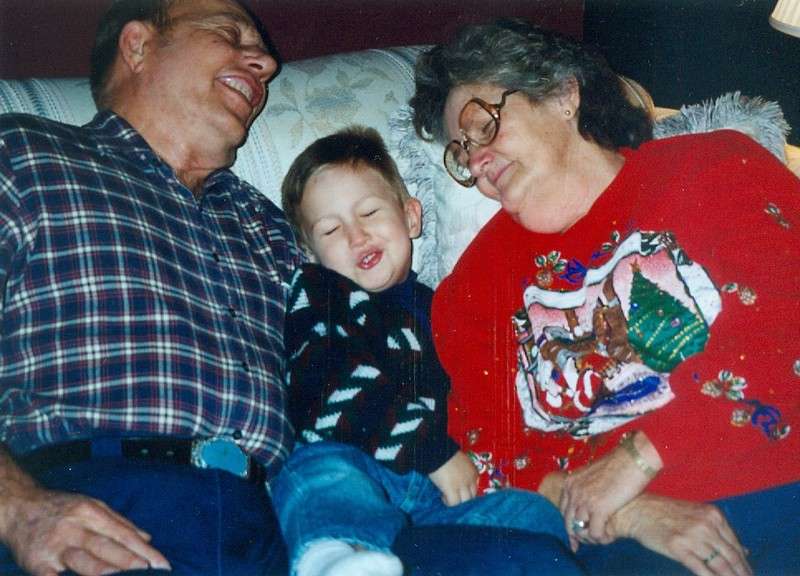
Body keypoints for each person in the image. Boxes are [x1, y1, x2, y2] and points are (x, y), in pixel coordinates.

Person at [410, 18, 800, 576]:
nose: (476, 162)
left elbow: (785, 324)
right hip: (619, 543)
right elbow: (489, 456)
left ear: (563, 95)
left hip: (779, 481)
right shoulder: (469, 291)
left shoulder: (713, 166)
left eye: (483, 125)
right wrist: (629, 514)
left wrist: (640, 458)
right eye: (462, 151)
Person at [0, 1, 301, 574]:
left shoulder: (271, 226)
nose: (265, 63)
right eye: (228, 33)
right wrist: (16, 508)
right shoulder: (22, 155)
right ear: (138, 45)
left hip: (275, 529)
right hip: (89, 510)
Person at [272, 126, 579, 576]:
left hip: (439, 500)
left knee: (534, 515)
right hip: (360, 469)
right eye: (331, 229)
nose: (357, 235)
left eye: (369, 212)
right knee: (313, 472)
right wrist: (429, 450)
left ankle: (405, 557)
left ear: (411, 217)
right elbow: (329, 388)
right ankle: (339, 559)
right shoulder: (320, 293)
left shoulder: (446, 308)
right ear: (310, 253)